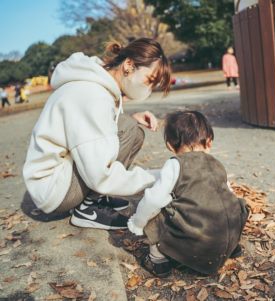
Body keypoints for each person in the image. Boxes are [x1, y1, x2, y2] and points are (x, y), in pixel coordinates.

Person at [23, 38, 171, 230]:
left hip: (54, 178)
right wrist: (160, 177)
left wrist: (132, 118)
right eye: (150, 80)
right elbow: (100, 176)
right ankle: (88, 208)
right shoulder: (92, 94)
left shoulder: (93, 82)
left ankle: (96, 197)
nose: (149, 90)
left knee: (130, 128)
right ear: (128, 65)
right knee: (130, 130)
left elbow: (99, 131)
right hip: (55, 192)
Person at [127, 111, 249, 277]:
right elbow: (228, 194)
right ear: (209, 142)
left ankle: (157, 260)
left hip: (198, 241)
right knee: (232, 204)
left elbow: (153, 200)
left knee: (157, 212)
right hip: (224, 237)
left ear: (170, 145)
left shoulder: (175, 164)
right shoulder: (217, 163)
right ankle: (232, 246)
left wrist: (138, 222)